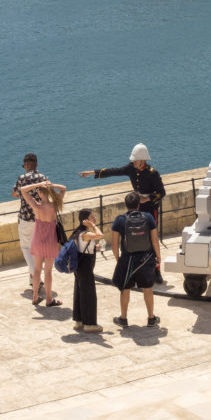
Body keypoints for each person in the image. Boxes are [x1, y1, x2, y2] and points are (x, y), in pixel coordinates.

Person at [79, 142, 166, 282]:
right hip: (135, 207)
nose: (132, 161)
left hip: (150, 209)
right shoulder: (131, 168)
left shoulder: (153, 173)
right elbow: (115, 171)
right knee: (134, 238)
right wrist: (93, 172)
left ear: (143, 160)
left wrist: (147, 199)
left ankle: (157, 270)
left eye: (135, 159)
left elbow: (162, 192)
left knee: (151, 239)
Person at [110, 191, 160, 328]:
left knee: (125, 289)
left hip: (127, 259)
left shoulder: (119, 220)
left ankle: (123, 318)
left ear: (126, 205)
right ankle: (151, 318)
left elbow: (114, 244)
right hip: (146, 258)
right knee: (147, 289)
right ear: (139, 204)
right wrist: (158, 256)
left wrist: (118, 259)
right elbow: (154, 240)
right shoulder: (148, 217)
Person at [20, 179, 66, 307]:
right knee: (48, 271)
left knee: (36, 270)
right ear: (49, 192)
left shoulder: (36, 206)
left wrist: (38, 185)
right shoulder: (55, 205)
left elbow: (23, 190)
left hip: (38, 240)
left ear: (39, 193)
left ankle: (35, 297)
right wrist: (51, 185)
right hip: (51, 240)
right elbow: (64, 188)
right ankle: (49, 299)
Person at [12, 153, 49, 290]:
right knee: (37, 248)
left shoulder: (22, 178)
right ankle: (32, 279)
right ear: (37, 164)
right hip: (41, 218)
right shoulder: (44, 178)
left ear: (27, 164)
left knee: (26, 247)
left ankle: (36, 276)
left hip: (26, 218)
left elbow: (15, 193)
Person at [70, 208, 105, 333]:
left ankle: (79, 321)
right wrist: (93, 226)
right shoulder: (85, 233)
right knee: (89, 295)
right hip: (85, 268)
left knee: (79, 293)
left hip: (79, 267)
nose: (94, 219)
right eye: (92, 217)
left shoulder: (77, 232)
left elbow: (81, 247)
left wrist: (94, 246)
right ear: (85, 220)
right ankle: (90, 324)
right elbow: (100, 235)